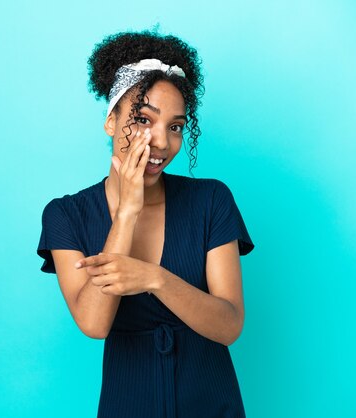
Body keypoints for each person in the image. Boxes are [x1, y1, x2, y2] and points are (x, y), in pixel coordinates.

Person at [36, 29, 255, 418]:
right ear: (110, 120)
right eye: (142, 119)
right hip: (128, 404)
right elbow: (93, 321)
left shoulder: (211, 200)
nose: (160, 142)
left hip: (212, 404)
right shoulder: (66, 215)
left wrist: (155, 278)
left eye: (174, 126)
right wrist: (126, 214)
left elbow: (229, 324)